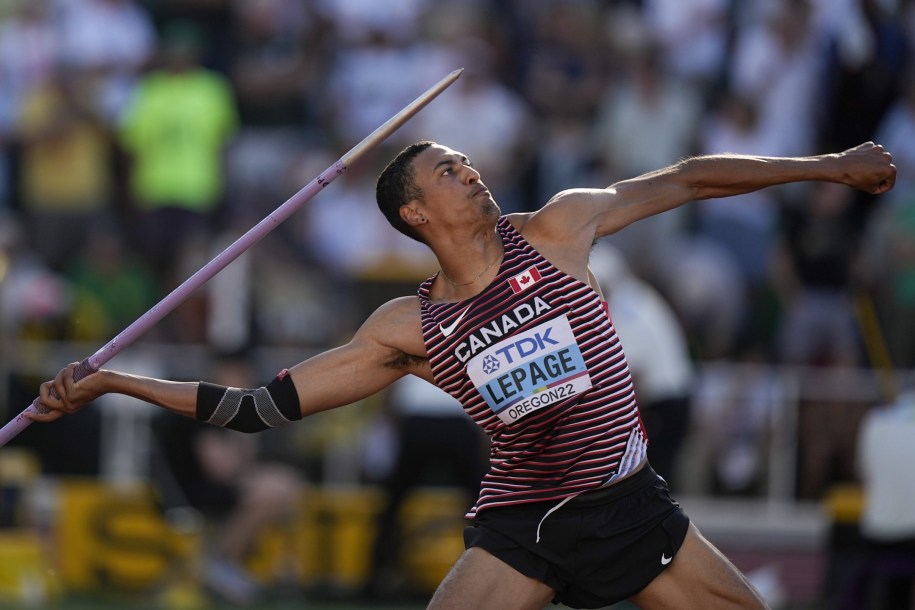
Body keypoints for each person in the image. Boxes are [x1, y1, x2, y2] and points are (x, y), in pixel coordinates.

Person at [32, 139, 896, 610]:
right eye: (449, 170)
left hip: (629, 503)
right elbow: (260, 409)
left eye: (469, 163)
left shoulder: (558, 229)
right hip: (524, 523)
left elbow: (686, 179)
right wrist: (116, 383)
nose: (471, 171)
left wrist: (819, 168)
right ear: (415, 212)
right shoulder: (406, 326)